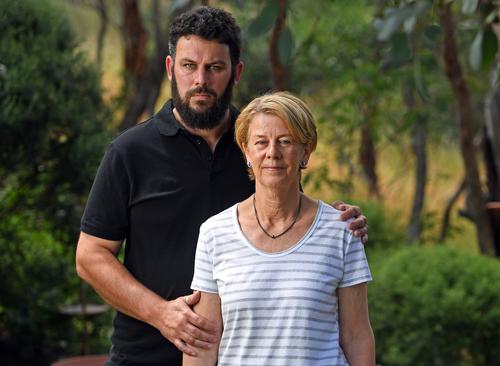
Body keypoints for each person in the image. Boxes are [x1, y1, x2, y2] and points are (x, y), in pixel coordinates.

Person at [75, 6, 369, 366]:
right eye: (189, 66)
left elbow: (295, 218)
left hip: (239, 353)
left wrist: (338, 222)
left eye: (215, 67)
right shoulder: (130, 152)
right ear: (170, 69)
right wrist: (162, 314)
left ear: (236, 72)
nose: (201, 79)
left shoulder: (260, 145)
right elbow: (90, 257)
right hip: (143, 354)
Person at [184, 91, 374, 366]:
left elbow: (357, 336)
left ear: (305, 151)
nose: (272, 152)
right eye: (261, 142)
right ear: (246, 151)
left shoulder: (342, 231)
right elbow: (203, 342)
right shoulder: (215, 233)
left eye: (285, 141)